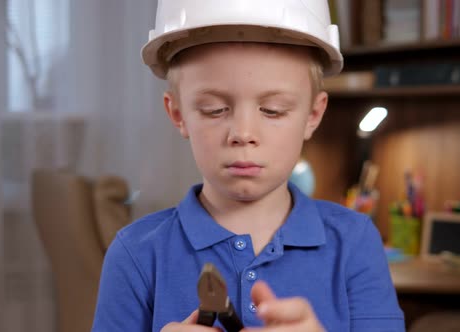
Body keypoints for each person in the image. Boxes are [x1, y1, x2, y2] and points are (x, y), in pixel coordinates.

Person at [92, 0, 405, 331]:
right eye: (214, 109)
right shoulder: (135, 254)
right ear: (178, 114)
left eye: (272, 110)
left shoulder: (355, 243)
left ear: (312, 115)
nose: (243, 134)